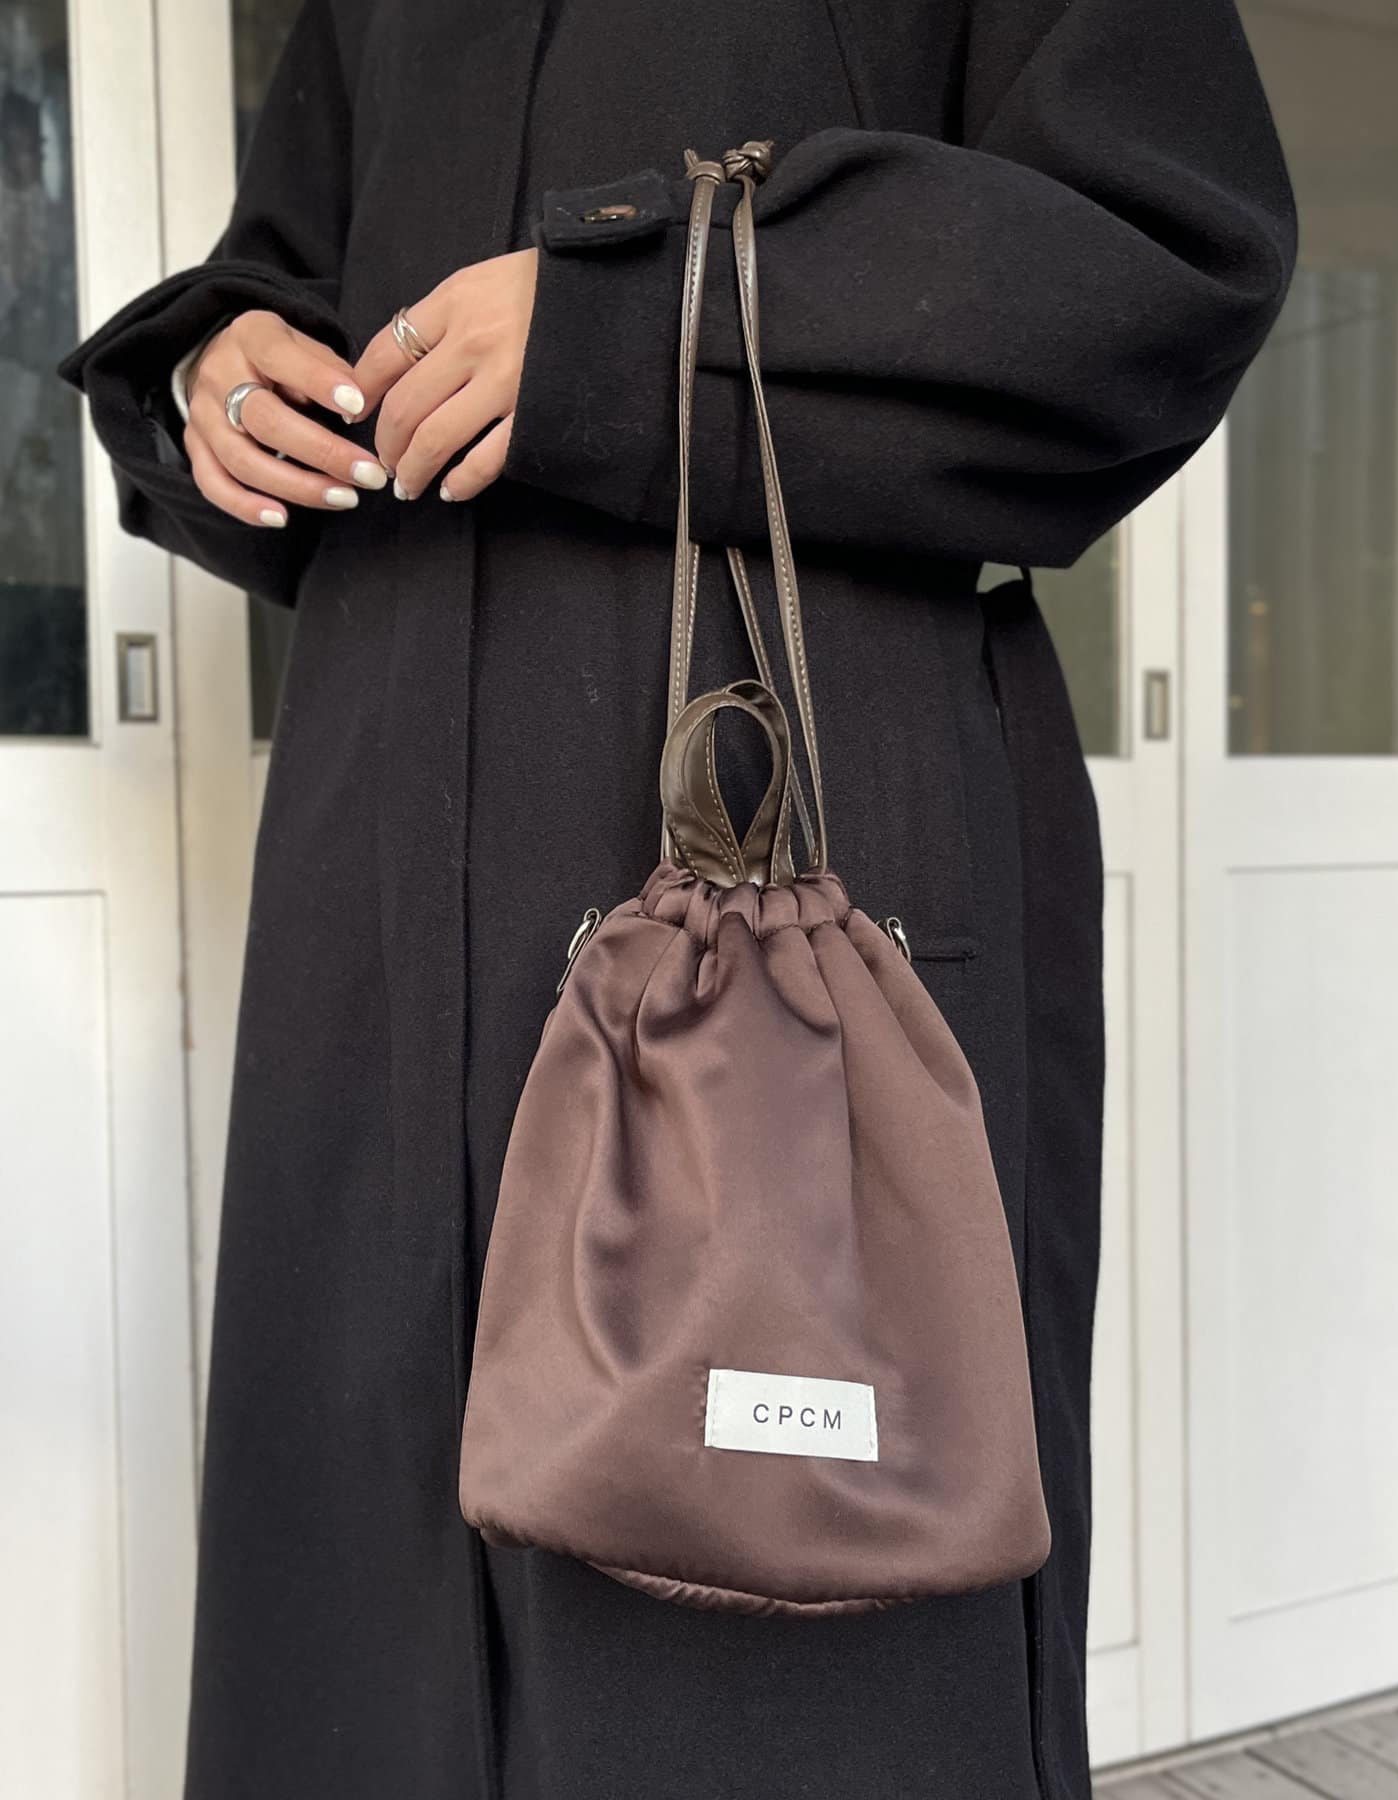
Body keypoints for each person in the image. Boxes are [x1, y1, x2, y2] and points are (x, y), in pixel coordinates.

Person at [60, 2, 1296, 1795]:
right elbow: (311, 275)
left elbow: (1163, 256)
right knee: (361, 1652)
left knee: (775, 1677)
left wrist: (648, 323)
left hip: (790, 864)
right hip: (381, 881)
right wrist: (223, 382)